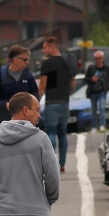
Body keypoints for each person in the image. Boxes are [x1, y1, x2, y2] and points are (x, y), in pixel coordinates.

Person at [37, 37, 71, 173]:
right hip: (65, 103)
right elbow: (72, 82)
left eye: (44, 47)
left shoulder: (47, 64)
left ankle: (53, 164)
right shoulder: (67, 62)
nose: (43, 50)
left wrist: (37, 101)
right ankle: (62, 164)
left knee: (51, 133)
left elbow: (43, 84)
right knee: (62, 133)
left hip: (51, 103)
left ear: (52, 47)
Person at [0, 45, 38, 125]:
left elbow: (35, 95)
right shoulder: (0, 75)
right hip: (5, 120)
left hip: (25, 121)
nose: (27, 62)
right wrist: (5, 105)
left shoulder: (28, 76)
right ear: (15, 59)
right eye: (25, 60)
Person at [84, 51, 109, 131]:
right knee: (93, 109)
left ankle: (102, 125)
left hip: (102, 91)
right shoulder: (91, 68)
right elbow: (86, 79)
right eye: (96, 58)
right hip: (93, 91)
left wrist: (107, 87)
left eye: (99, 58)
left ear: (102, 58)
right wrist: (91, 79)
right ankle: (94, 126)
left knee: (102, 108)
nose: (98, 60)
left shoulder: (107, 69)